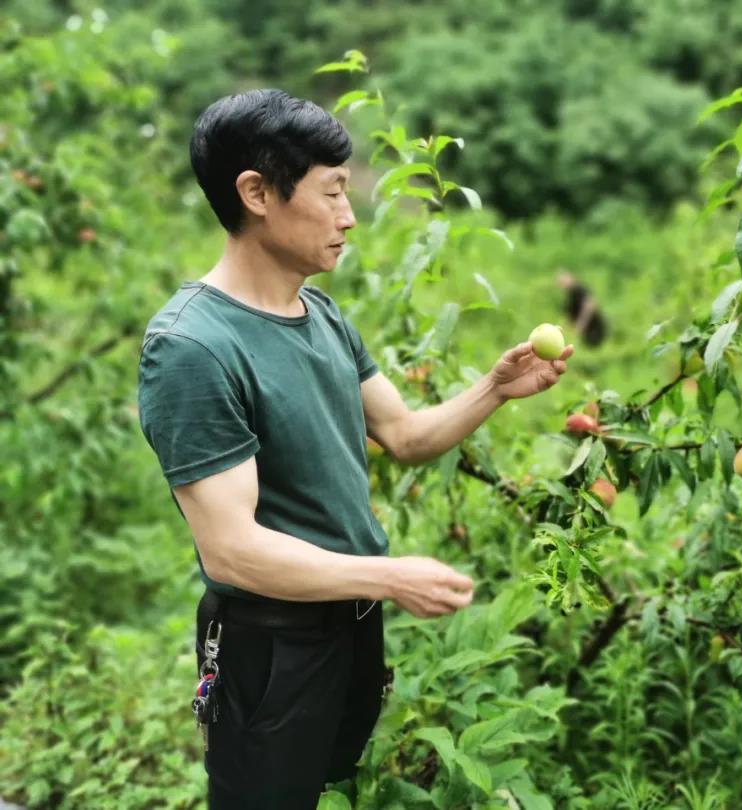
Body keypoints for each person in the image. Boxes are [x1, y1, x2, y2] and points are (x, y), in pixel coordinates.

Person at [136, 89, 574, 809]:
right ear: (256, 194)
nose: (348, 216)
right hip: (272, 646)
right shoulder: (193, 348)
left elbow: (403, 435)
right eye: (332, 193)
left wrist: (494, 388)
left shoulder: (322, 314)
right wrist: (389, 575)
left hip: (348, 626)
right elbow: (231, 551)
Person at [555, 269, 607, 347]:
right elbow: (571, 318)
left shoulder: (578, 289)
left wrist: (581, 323)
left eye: (564, 280)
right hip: (586, 334)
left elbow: (590, 305)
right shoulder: (570, 297)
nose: (562, 284)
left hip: (595, 330)